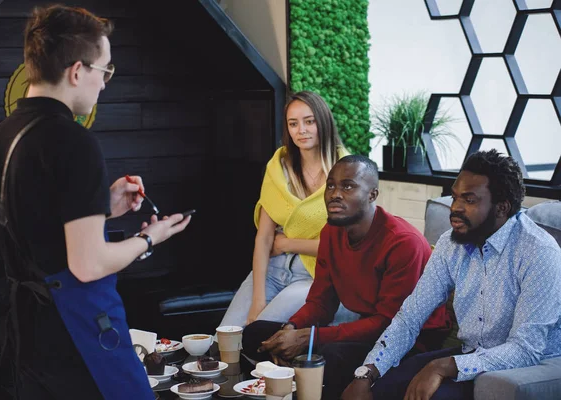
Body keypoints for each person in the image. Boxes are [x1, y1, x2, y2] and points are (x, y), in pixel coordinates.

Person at [0, 5, 190, 399]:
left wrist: (101, 205)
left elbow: (33, 224)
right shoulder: (74, 141)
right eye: (104, 70)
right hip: (80, 334)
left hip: (26, 336)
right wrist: (150, 238)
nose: (105, 83)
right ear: (77, 71)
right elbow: (87, 265)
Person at [342, 149, 561, 400]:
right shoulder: (451, 243)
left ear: (501, 208)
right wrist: (367, 373)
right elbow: (410, 317)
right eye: (455, 197)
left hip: (525, 368)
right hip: (470, 353)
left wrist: (444, 366)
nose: (455, 208)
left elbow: (525, 349)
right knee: (376, 389)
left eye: (469, 200)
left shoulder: (539, 252)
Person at [242, 155, 450, 399]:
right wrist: (291, 328)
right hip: (367, 330)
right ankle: (293, 378)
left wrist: (309, 337)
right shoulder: (331, 232)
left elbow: (388, 324)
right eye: (331, 185)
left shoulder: (403, 243)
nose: (335, 194)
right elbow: (320, 303)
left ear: (372, 194)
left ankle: (295, 378)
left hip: (410, 341)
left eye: (348, 186)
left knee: (331, 356)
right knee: (255, 334)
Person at [219, 91, 350, 328]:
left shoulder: (347, 171)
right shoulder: (279, 166)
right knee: (227, 337)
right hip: (272, 269)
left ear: (323, 121)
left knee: (259, 333)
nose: (301, 130)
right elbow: (265, 237)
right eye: (293, 123)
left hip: (313, 275)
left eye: (309, 121)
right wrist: (257, 300)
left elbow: (343, 247)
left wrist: (287, 243)